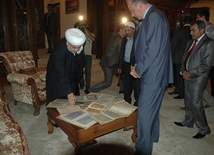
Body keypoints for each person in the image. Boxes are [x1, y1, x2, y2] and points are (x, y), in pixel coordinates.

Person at [126, 0, 173, 154]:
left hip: (153, 74)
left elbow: (152, 49)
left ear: (139, 4)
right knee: (152, 108)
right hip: (154, 71)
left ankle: (142, 149)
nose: (132, 14)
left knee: (144, 113)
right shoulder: (154, 16)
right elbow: (148, 46)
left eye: (132, 10)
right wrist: (138, 65)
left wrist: (138, 69)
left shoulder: (153, 17)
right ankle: (153, 137)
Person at [174, 21, 214, 139]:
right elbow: (184, 58)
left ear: (202, 30)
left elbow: (206, 65)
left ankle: (204, 128)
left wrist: (191, 74)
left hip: (198, 78)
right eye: (190, 30)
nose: (191, 33)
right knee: (188, 100)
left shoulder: (209, 43)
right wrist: (183, 71)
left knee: (196, 104)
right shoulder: (190, 42)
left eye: (193, 31)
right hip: (187, 75)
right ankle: (188, 122)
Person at [46, 28, 86, 105]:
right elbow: (61, 74)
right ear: (67, 43)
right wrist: (69, 92)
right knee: (60, 101)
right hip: (57, 77)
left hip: (71, 73)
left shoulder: (76, 44)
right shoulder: (58, 52)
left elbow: (81, 54)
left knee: (74, 100)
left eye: (79, 47)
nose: (77, 50)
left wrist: (82, 66)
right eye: (74, 47)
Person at [86, 25, 126, 93]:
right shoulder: (120, 39)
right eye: (125, 31)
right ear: (120, 30)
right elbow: (120, 53)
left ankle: (122, 89)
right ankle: (90, 90)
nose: (126, 32)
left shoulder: (114, 36)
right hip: (109, 63)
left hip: (109, 61)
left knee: (121, 75)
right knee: (108, 82)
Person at [168, 16, 192, 99]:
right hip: (189, 57)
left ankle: (180, 92)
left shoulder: (180, 31)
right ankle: (179, 91)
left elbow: (173, 44)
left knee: (179, 75)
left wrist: (170, 55)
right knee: (185, 74)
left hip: (178, 56)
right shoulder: (193, 31)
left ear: (183, 22)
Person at [118, 21, 139, 105]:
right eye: (126, 30)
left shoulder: (138, 40)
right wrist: (120, 66)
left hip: (134, 66)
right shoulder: (124, 40)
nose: (127, 32)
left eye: (129, 30)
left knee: (136, 86)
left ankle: (137, 103)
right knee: (126, 85)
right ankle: (127, 101)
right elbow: (121, 53)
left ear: (133, 30)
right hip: (125, 66)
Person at [196, 9, 214, 103]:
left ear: (203, 18)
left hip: (206, 62)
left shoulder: (209, 30)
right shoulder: (206, 29)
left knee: (200, 83)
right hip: (205, 61)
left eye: (198, 17)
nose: (196, 19)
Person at [74, 21, 96, 93]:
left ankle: (88, 85)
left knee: (88, 71)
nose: (82, 29)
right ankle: (81, 84)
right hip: (79, 54)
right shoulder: (78, 34)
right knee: (79, 70)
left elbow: (93, 39)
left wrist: (86, 31)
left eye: (84, 27)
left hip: (88, 55)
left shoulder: (91, 34)